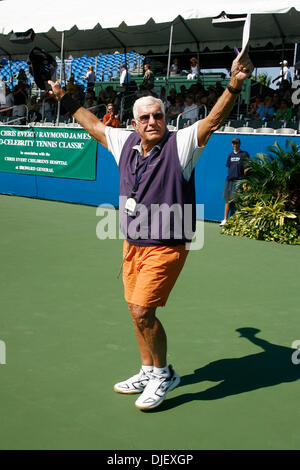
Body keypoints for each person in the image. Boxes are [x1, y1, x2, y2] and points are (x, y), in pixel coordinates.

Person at [48, 46, 253, 411]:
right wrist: (65, 98)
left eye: (158, 115)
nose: (152, 122)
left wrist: (235, 84)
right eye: (144, 118)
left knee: (143, 310)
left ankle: (163, 375)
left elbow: (213, 120)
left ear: (166, 117)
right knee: (135, 309)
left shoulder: (181, 145)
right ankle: (148, 369)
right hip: (132, 243)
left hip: (167, 243)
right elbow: (94, 125)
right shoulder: (123, 143)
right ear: (134, 123)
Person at [220, 137, 250, 227]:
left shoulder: (244, 154)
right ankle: (225, 219)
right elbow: (229, 167)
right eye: (233, 143)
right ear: (232, 144)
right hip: (229, 180)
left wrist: (245, 180)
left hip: (239, 181)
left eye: (236, 143)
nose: (235, 145)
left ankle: (237, 220)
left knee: (238, 201)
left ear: (239, 144)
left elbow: (247, 167)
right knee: (228, 200)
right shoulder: (230, 155)